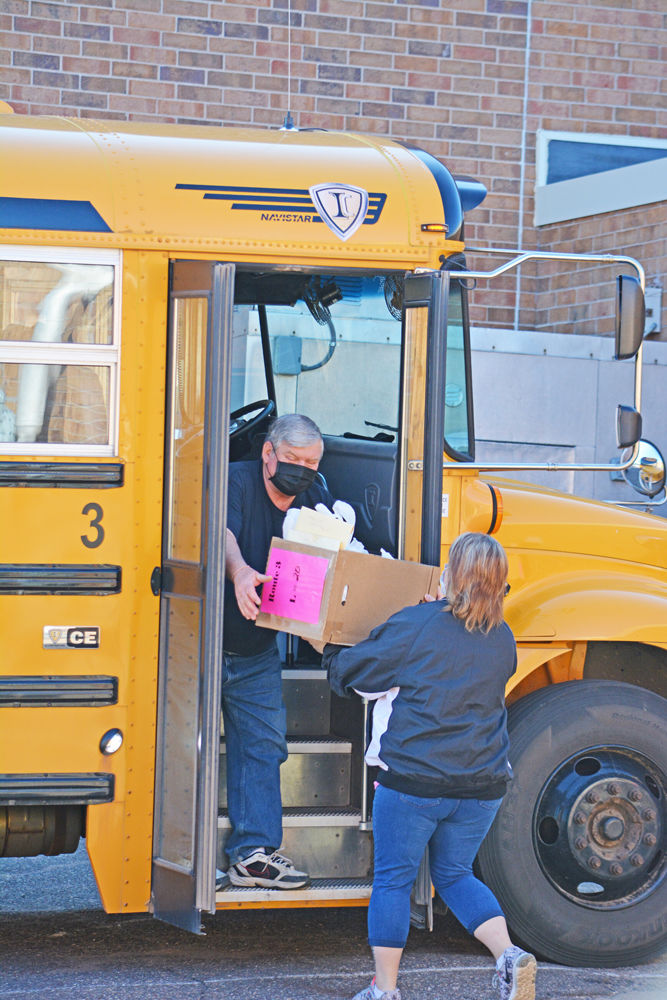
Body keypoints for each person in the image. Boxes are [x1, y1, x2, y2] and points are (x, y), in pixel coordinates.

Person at [322, 532, 537, 1000]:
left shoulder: (419, 623)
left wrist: (330, 643)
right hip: (482, 785)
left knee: (394, 881)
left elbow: (356, 675)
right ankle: (508, 957)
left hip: (414, 782)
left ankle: (386, 990)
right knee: (456, 873)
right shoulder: (503, 637)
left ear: (452, 575)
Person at [220, 413, 334, 890]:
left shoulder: (315, 497)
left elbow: (329, 558)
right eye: (292, 460)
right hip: (202, 646)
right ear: (268, 454)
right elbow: (220, 534)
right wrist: (241, 573)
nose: (302, 471)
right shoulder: (236, 481)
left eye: (311, 463)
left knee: (265, 746)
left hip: (256, 651)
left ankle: (253, 855)